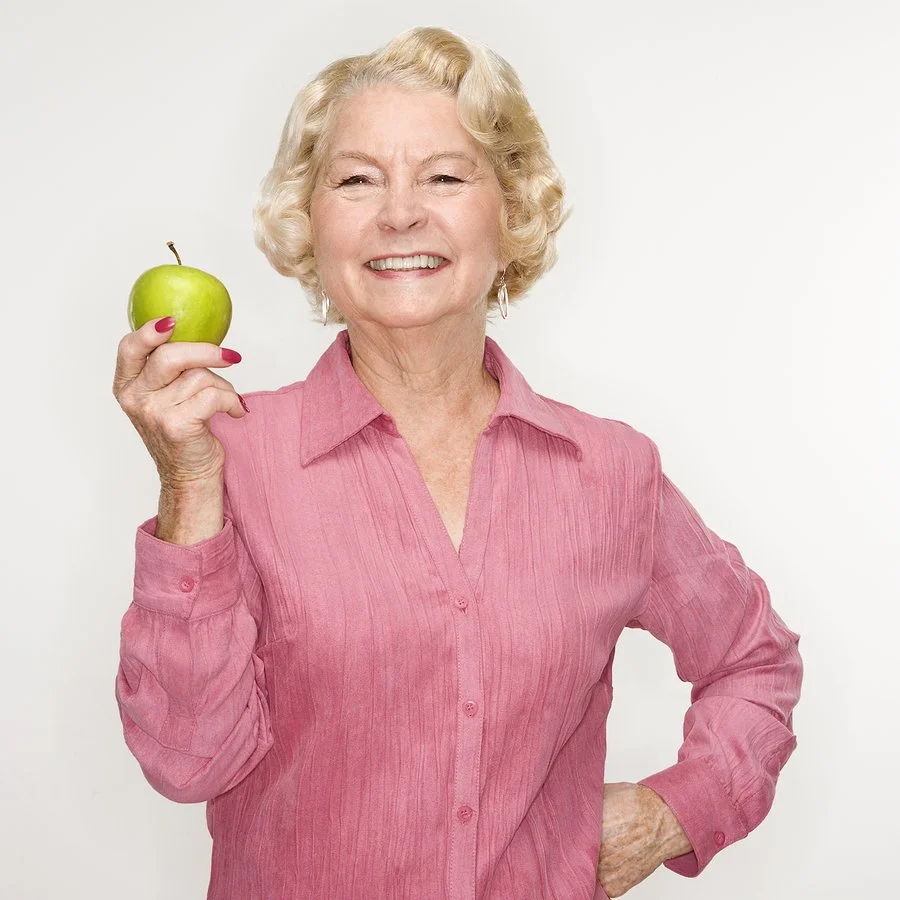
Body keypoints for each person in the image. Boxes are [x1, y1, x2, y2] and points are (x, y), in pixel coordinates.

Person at [111, 26, 803, 900]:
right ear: (309, 224)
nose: (400, 213)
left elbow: (756, 657)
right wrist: (187, 484)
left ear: (510, 212)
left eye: (444, 175)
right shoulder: (232, 456)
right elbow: (187, 760)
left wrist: (677, 808)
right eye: (358, 180)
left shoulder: (610, 473)